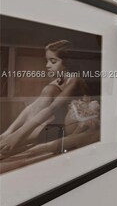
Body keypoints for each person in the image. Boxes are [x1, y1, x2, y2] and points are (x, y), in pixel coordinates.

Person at [0, 40, 99, 169]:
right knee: (48, 91)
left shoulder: (75, 80)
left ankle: (13, 144)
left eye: (53, 61)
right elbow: (32, 108)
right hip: (60, 123)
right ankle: (8, 143)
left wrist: (19, 135)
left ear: (67, 63)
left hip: (80, 126)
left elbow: (52, 108)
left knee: (24, 138)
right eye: (47, 61)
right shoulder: (58, 81)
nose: (47, 65)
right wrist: (10, 131)